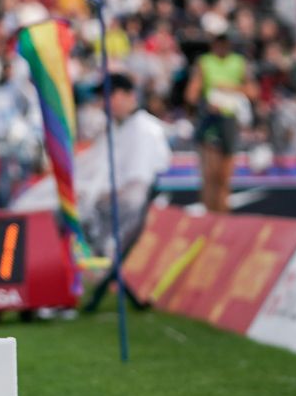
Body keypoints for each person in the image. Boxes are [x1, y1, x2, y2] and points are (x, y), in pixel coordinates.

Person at [78, 74, 174, 263]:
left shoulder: (145, 130)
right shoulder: (115, 128)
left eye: (109, 96)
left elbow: (135, 191)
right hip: (110, 203)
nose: (104, 103)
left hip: (126, 209)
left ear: (127, 96)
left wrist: (97, 197)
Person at [185, 14, 253, 213]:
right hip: (211, 119)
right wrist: (206, 102)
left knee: (224, 177)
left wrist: (230, 89)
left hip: (230, 119)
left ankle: (222, 219)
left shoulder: (239, 62)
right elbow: (191, 94)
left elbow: (252, 91)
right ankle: (211, 219)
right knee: (210, 175)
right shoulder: (205, 62)